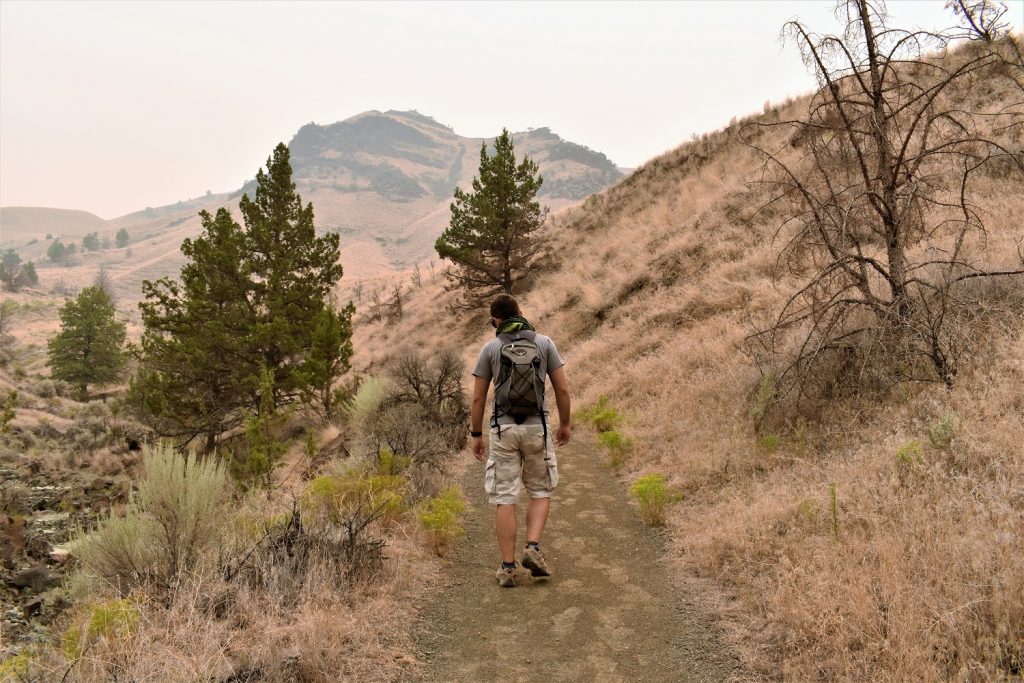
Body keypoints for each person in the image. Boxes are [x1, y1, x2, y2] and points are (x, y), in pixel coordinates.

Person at [470, 294, 571, 587]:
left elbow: (478, 397)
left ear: (496, 321)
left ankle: (507, 568)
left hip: (502, 430)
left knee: (505, 497)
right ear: (521, 313)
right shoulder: (544, 343)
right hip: (536, 427)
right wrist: (564, 423)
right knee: (539, 490)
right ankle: (533, 547)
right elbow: (562, 390)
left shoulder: (490, 348)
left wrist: (477, 435)